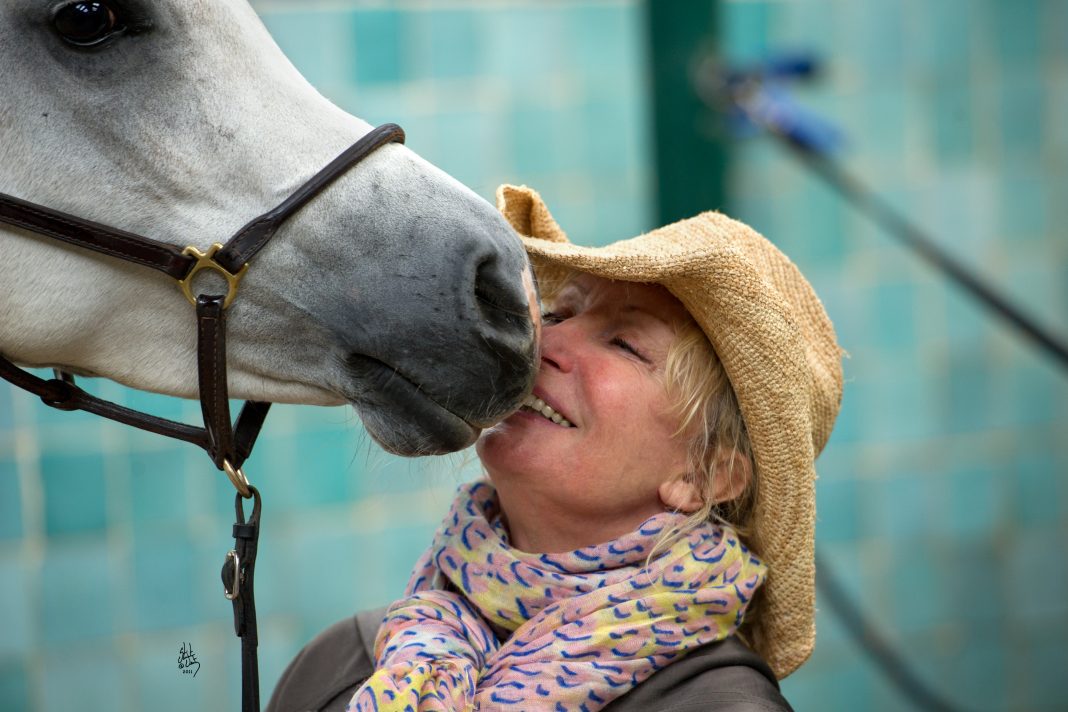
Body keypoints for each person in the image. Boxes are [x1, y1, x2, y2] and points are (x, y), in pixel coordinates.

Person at [266, 185, 844, 712]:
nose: (546, 340)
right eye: (558, 313)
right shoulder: (342, 664)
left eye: (625, 344)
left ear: (707, 476)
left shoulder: (718, 706)